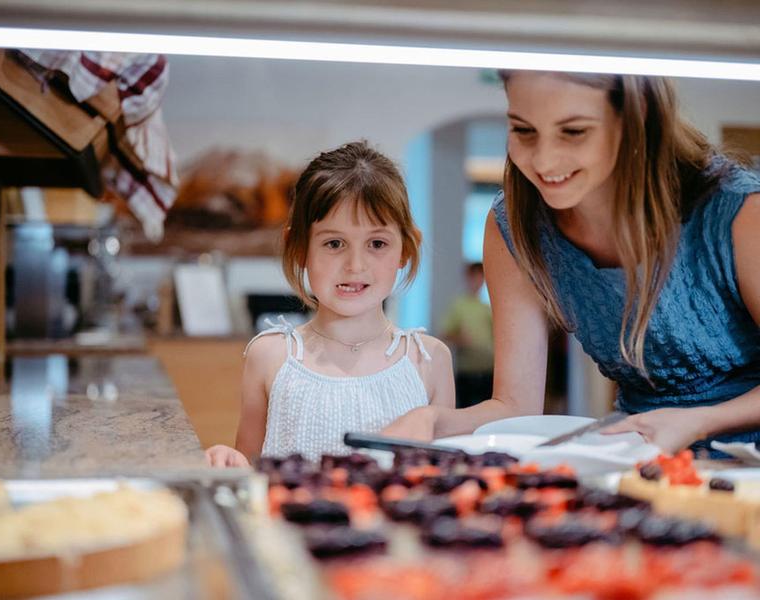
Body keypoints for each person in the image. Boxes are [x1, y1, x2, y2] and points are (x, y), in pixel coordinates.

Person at [383, 71, 760, 456]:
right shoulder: (513, 226)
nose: (545, 160)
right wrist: (433, 419)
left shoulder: (737, 210)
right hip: (639, 463)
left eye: (574, 131)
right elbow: (514, 406)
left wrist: (701, 420)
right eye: (524, 131)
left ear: (636, 118)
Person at [206, 141, 454, 466]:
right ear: (299, 248)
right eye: (334, 243)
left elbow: (446, 478)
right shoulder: (270, 356)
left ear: (406, 249)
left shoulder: (429, 359)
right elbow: (251, 469)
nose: (355, 265)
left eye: (377, 243)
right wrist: (228, 460)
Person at [440, 262, 494, 408]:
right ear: (468, 277)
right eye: (474, 276)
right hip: (467, 370)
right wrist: (459, 339)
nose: (478, 281)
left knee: (488, 412)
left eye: (481, 277)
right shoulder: (458, 305)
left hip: (488, 368)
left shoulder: (487, 307)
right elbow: (445, 334)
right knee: (465, 409)